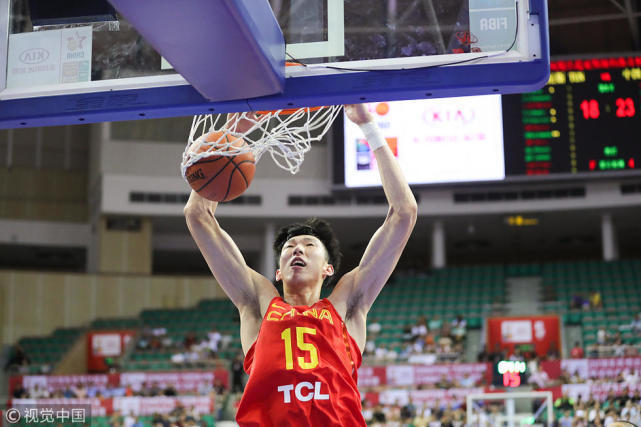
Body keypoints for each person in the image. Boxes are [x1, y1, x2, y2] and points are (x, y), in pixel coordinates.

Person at [184, 104, 417, 426]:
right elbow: (198, 216)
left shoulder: (346, 305)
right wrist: (234, 132)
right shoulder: (259, 303)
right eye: (290, 247)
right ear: (278, 272)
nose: (297, 249)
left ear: (328, 269)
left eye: (309, 245)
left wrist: (369, 127)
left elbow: (404, 213)